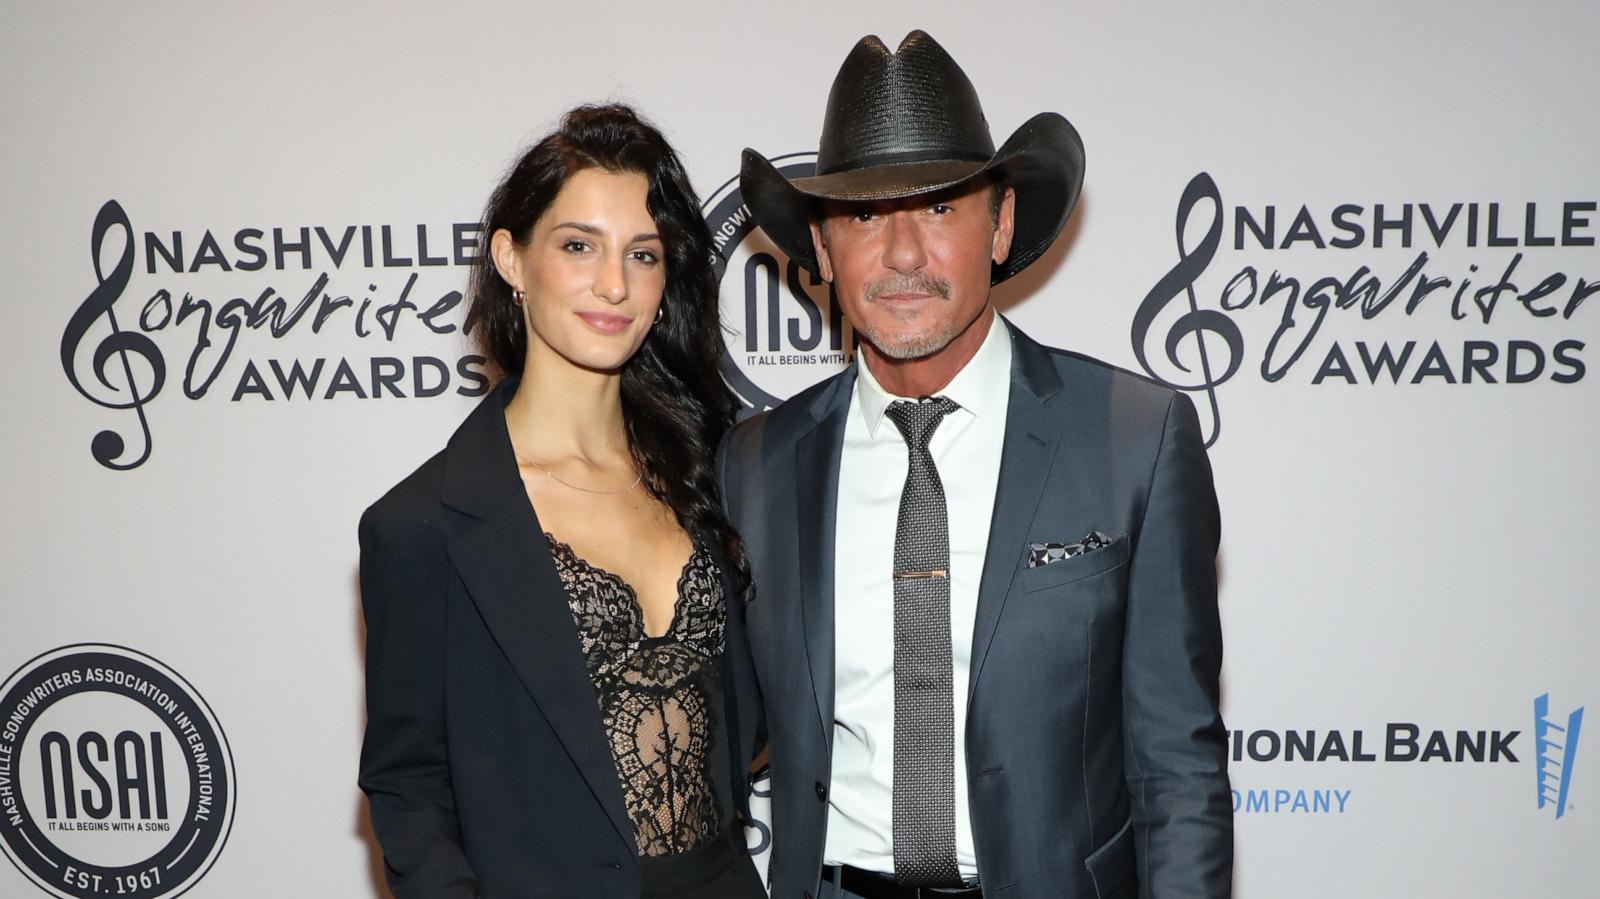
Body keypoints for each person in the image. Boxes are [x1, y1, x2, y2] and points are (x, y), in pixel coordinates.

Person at [721, 31, 1231, 899]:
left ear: (999, 223)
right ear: (820, 246)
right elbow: (716, 738)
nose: (904, 255)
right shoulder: (758, 463)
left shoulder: (1134, 438)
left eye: (941, 207)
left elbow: (1176, 771)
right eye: (865, 215)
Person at [358, 104, 765, 899]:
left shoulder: (721, 473)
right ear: (512, 259)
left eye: (642, 254)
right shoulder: (424, 525)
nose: (613, 283)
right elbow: (409, 789)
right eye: (578, 245)